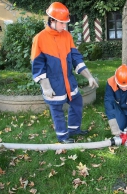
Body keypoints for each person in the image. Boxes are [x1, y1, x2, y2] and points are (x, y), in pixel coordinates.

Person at [31, 2, 98, 144]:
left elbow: (76, 58)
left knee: (77, 102)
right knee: (57, 111)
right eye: (62, 23)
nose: (64, 26)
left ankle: (74, 130)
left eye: (65, 23)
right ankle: (62, 136)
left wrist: (89, 76)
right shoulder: (40, 38)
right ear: (52, 20)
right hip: (53, 84)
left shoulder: (67, 36)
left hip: (69, 81)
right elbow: (38, 66)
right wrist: (46, 87)